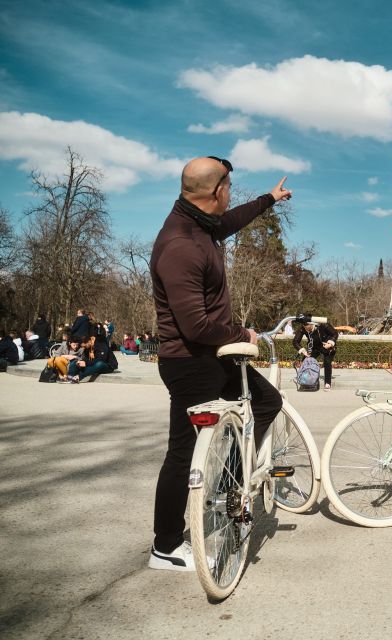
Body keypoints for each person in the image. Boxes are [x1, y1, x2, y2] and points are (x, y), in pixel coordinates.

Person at [147, 155, 291, 571]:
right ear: (217, 191)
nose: (232, 195)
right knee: (182, 452)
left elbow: (229, 222)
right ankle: (166, 546)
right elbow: (195, 326)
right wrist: (242, 335)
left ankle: (230, 484)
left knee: (266, 402)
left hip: (211, 358)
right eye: (230, 187)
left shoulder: (200, 224)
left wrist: (269, 199)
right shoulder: (181, 246)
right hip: (191, 362)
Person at [294, 320, 339, 390]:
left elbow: (335, 333)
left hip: (327, 345)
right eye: (304, 327)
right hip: (314, 347)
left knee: (327, 362)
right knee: (306, 360)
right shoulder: (303, 328)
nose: (306, 329)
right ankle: (306, 380)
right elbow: (295, 341)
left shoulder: (323, 324)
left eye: (308, 327)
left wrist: (330, 344)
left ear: (311, 324)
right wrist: (303, 351)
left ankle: (327, 383)